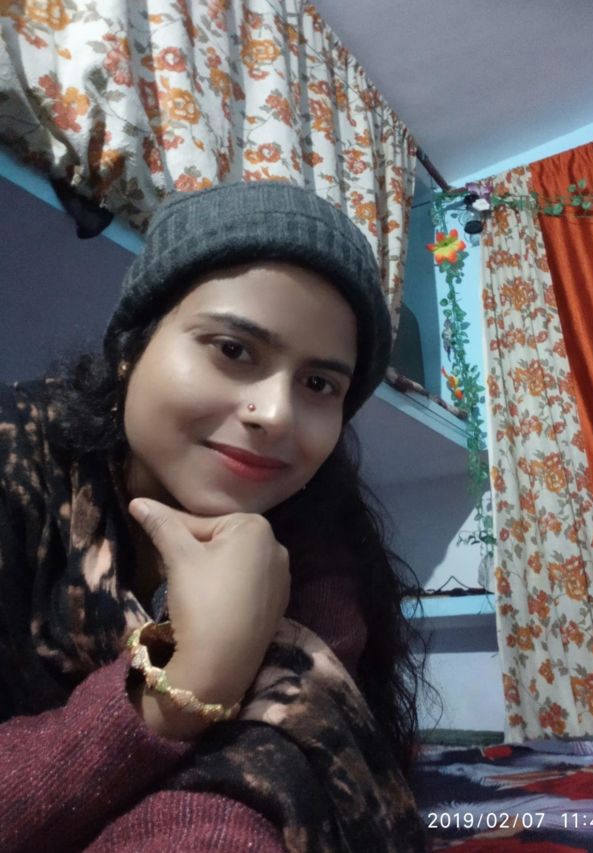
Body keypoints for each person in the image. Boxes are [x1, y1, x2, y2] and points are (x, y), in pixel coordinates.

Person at [0, 181, 428, 850]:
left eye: (319, 384)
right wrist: (187, 681)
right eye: (233, 349)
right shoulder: (15, 465)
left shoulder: (319, 545)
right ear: (131, 346)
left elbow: (256, 778)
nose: (276, 414)